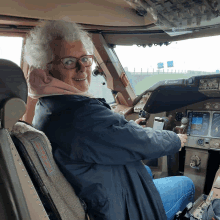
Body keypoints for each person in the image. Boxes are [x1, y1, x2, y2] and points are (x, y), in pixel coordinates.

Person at [24, 20, 195, 220]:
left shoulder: (49, 105)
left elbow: (107, 134)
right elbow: (140, 142)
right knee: (186, 184)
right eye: (68, 61)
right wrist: (175, 140)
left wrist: (127, 127)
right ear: (47, 68)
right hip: (113, 209)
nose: (82, 68)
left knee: (147, 170)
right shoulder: (78, 113)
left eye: (85, 59)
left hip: (96, 190)